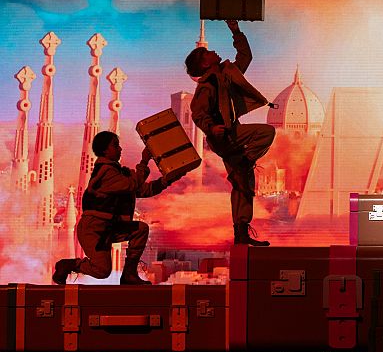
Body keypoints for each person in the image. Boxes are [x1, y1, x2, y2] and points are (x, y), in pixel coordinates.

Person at [184, 19, 275, 246]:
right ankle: (245, 162)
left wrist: (236, 32)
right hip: (224, 137)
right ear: (204, 65)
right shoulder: (207, 85)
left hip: (231, 133)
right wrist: (211, 127)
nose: (212, 51)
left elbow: (245, 58)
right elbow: (198, 113)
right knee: (266, 133)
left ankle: (241, 232)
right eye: (206, 53)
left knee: (243, 184)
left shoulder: (226, 75)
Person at [52, 131, 183, 285]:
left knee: (140, 229)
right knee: (102, 271)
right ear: (104, 150)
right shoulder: (106, 173)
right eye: (115, 145)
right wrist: (144, 161)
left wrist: (167, 179)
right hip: (93, 230)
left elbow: (143, 190)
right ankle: (68, 265)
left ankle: (129, 274)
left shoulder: (118, 173)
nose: (120, 149)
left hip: (108, 228)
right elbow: (133, 184)